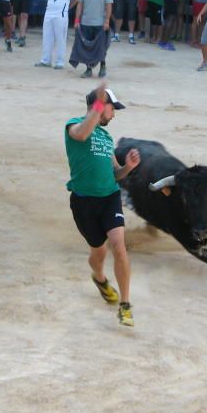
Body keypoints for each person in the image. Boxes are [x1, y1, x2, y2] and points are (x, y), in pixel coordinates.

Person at [64, 84, 140, 327]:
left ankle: (125, 305)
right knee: (99, 252)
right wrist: (97, 106)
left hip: (109, 198)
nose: (114, 114)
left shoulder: (107, 137)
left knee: (119, 246)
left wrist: (126, 168)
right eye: (112, 108)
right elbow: (82, 134)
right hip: (83, 202)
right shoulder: (73, 125)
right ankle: (99, 278)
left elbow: (114, 173)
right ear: (99, 106)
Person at [73, 0, 113, 78]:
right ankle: (88, 69)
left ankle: (103, 67)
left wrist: (107, 21)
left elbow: (109, 5)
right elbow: (79, 5)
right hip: (86, 22)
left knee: (101, 47)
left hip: (100, 23)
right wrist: (77, 20)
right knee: (88, 48)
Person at [36, 0, 77, 69]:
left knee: (60, 38)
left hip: (61, 14)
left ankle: (60, 62)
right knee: (47, 37)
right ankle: (45, 60)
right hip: (49, 13)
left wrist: (66, 8)